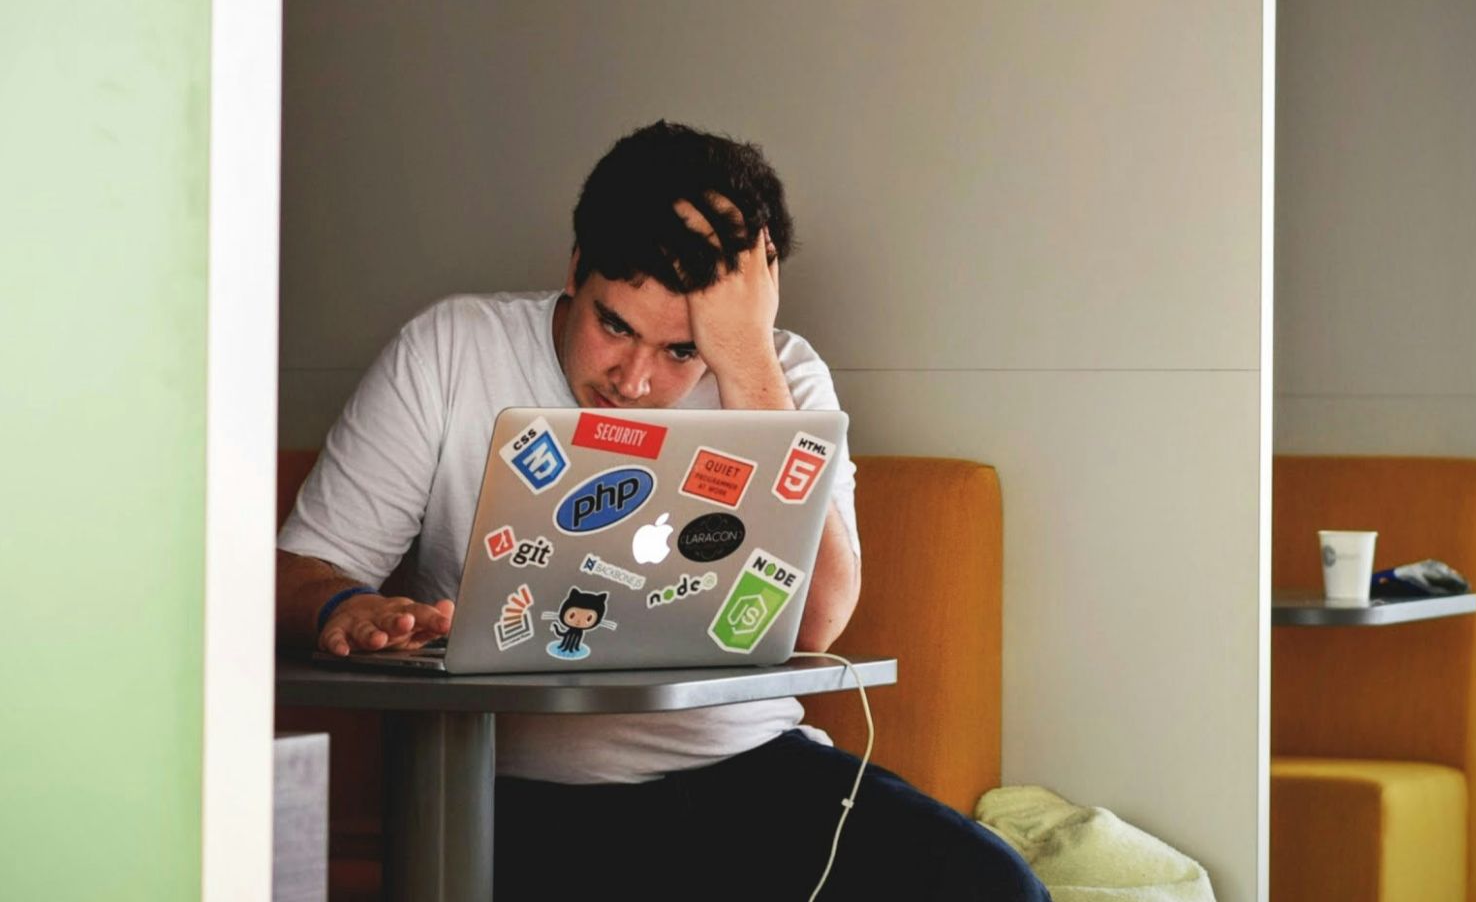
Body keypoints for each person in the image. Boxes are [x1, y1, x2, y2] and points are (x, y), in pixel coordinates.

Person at [274, 121, 1049, 900]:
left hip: (747, 767)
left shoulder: (781, 377)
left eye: (682, 351)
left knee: (997, 891)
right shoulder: (450, 349)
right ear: (576, 268)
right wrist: (347, 606)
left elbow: (817, 621)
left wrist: (744, 360)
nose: (633, 381)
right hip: (513, 794)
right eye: (614, 325)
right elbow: (297, 572)